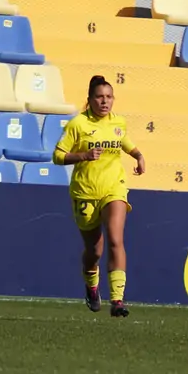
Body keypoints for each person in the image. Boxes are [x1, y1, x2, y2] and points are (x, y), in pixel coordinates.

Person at [53, 75, 145, 317]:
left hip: (113, 188)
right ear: (90, 100)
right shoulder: (78, 125)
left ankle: (118, 301)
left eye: (108, 97)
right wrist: (83, 155)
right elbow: (58, 156)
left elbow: (123, 141)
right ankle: (91, 286)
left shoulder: (118, 122)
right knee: (94, 251)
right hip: (85, 192)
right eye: (99, 97)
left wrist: (138, 155)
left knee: (116, 239)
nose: (104, 101)